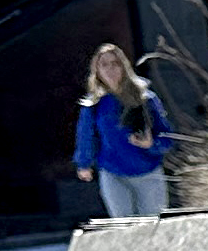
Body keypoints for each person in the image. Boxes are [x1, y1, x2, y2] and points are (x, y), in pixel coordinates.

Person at [73, 43, 173, 219]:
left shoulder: (146, 99)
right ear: (97, 71)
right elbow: (86, 136)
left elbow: (167, 137)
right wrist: (84, 164)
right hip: (113, 172)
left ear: (124, 67)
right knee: (123, 225)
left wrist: (151, 144)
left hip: (148, 171)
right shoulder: (93, 104)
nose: (110, 69)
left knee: (152, 224)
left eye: (115, 64)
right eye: (104, 65)